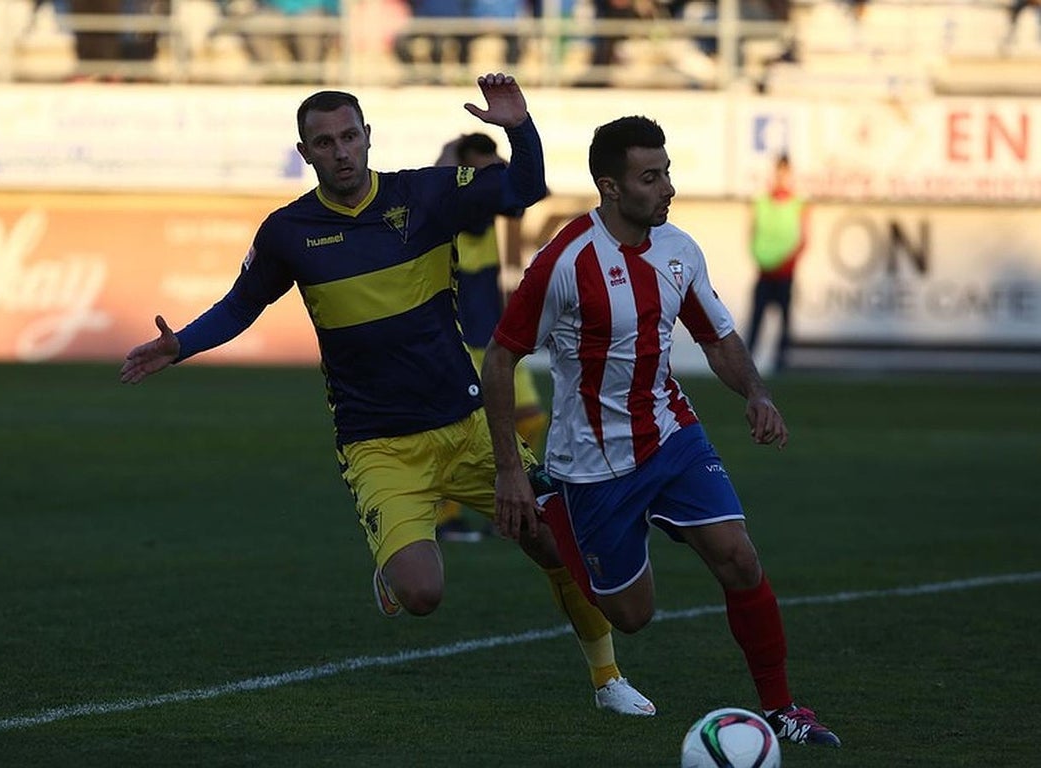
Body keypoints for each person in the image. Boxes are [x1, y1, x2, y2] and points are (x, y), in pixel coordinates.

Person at [119, 74, 654, 717]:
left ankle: (607, 679)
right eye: (324, 142)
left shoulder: (425, 195)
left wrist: (518, 125)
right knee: (423, 594)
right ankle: (394, 570)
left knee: (553, 541)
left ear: (368, 137)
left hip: (469, 422)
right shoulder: (288, 232)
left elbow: (523, 187)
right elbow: (243, 303)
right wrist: (182, 344)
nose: (341, 151)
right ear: (305, 152)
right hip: (378, 444)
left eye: (350, 136)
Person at [481, 115, 841, 746]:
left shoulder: (680, 250)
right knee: (632, 615)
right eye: (650, 177)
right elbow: (501, 357)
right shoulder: (565, 260)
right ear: (610, 188)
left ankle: (784, 709)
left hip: (672, 435)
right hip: (591, 465)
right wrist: (509, 469)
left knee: (739, 557)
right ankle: (549, 503)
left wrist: (756, 393)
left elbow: (718, 337)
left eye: (667, 172)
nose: (666, 187)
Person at [432, 132, 548, 543]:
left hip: (493, 329)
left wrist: (497, 158)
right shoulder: (453, 196)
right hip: (459, 332)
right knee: (456, 428)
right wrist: (450, 155)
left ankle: (509, 500)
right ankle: (446, 517)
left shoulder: (490, 191)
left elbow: (535, 189)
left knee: (531, 417)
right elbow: (442, 180)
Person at [746, 152, 806, 374]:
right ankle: (746, 365)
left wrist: (785, 262)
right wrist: (761, 258)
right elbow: (753, 232)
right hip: (764, 271)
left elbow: (803, 239)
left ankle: (782, 363)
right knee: (756, 321)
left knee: (785, 323)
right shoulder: (762, 201)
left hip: (786, 273)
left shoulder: (798, 202)